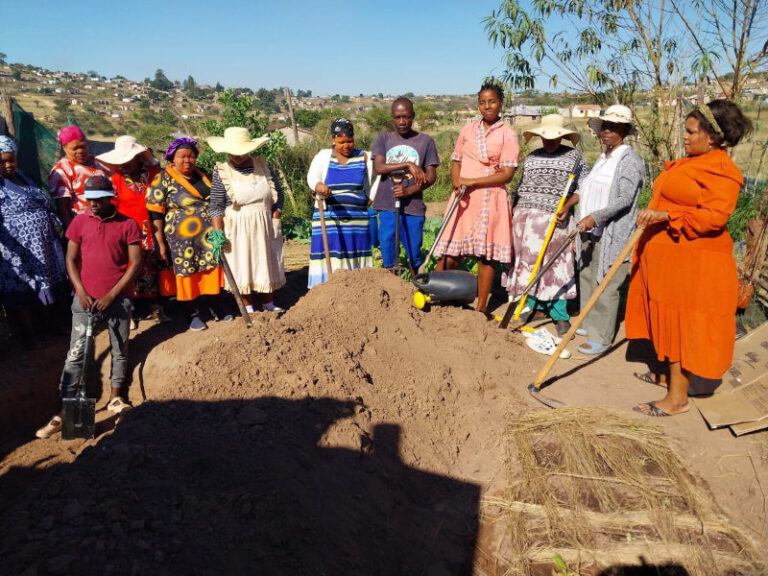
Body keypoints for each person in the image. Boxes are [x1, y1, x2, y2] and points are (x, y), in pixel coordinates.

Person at [625, 99, 753, 417]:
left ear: (711, 137)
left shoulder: (723, 171)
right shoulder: (691, 163)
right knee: (668, 322)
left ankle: (677, 399)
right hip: (671, 261)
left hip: (695, 265)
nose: (684, 136)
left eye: (690, 131)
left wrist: (665, 214)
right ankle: (671, 379)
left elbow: (713, 217)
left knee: (682, 327)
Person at [35, 175, 142, 439]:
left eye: (98, 200)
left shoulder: (127, 224)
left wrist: (112, 294)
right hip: (84, 301)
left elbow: (136, 264)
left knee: (120, 346)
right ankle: (64, 410)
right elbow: (71, 259)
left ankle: (116, 397)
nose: (92, 205)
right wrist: (80, 291)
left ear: (110, 198)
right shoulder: (80, 221)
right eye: (89, 200)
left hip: (118, 300)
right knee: (77, 353)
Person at [556, 104, 644, 354]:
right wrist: (570, 204)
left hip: (611, 232)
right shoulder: (604, 157)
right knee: (587, 274)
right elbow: (585, 188)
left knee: (607, 281)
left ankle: (602, 336)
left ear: (624, 130)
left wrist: (596, 217)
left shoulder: (628, 160)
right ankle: (588, 321)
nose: (606, 131)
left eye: (613, 127)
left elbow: (624, 199)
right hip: (588, 228)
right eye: (605, 126)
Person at [433, 83, 518, 314]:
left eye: (491, 101)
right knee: (451, 251)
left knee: (486, 256)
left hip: (491, 198)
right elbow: (456, 161)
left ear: (500, 103)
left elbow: (507, 174)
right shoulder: (468, 130)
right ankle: (438, 295)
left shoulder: (507, 135)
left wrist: (473, 181)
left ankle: (481, 308)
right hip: (463, 199)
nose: (487, 106)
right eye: (482, 102)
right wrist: (457, 180)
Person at [504, 115, 587, 336]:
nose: (549, 141)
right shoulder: (532, 157)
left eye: (555, 137)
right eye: (545, 137)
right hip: (526, 221)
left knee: (555, 265)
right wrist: (515, 210)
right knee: (529, 265)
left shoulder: (575, 157)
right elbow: (522, 186)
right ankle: (536, 307)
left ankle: (560, 314)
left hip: (555, 219)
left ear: (563, 136)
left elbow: (582, 188)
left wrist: (568, 205)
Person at [146, 137, 230, 331]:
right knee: (187, 272)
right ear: (172, 159)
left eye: (191, 156)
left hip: (209, 236)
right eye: (182, 156)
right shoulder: (163, 178)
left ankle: (214, 304)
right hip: (181, 241)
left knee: (212, 268)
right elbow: (155, 212)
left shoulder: (204, 175)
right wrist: (159, 242)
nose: (187, 160)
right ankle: (192, 312)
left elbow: (218, 200)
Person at [0, 135, 68, 348]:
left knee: (44, 287)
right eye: (2, 161)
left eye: (12, 159)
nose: (9, 165)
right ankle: (26, 336)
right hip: (19, 252)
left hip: (43, 246)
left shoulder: (23, 177)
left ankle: (47, 326)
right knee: (21, 292)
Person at [208, 127, 286, 312]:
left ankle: (268, 302)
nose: (237, 156)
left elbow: (279, 194)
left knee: (267, 261)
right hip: (237, 226)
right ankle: (248, 306)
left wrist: (276, 214)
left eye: (241, 151)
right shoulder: (223, 172)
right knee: (242, 263)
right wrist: (218, 232)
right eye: (233, 152)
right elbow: (216, 206)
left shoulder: (263, 167)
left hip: (265, 222)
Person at [96, 135, 164, 328]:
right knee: (130, 269)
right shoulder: (115, 180)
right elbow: (112, 207)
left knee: (153, 268)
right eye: (120, 161)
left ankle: (155, 308)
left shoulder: (154, 174)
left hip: (154, 226)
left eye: (127, 160)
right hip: (127, 231)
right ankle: (129, 312)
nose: (123, 164)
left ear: (138, 157)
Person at [372, 97, 440, 275]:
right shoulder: (383, 139)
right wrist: (407, 164)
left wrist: (408, 191)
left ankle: (415, 289)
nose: (402, 121)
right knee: (387, 247)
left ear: (413, 116)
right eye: (397, 117)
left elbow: (431, 176)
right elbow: (379, 167)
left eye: (406, 117)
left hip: (413, 207)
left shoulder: (425, 141)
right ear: (392, 117)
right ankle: (392, 288)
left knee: (414, 251)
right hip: (387, 205)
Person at [306, 118, 373, 288]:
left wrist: (371, 196)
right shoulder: (323, 156)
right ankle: (327, 292)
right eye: (341, 142)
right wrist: (319, 186)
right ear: (333, 140)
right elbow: (312, 177)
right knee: (333, 257)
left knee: (355, 257)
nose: (346, 145)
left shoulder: (365, 157)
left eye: (349, 141)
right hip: (329, 218)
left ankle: (358, 291)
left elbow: (375, 180)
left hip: (357, 220)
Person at [48, 125, 108, 229]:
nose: (80, 151)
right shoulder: (61, 170)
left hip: (109, 219)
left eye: (82, 146)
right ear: (65, 148)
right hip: (85, 225)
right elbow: (63, 207)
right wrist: (72, 233)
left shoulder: (98, 162)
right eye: (74, 148)